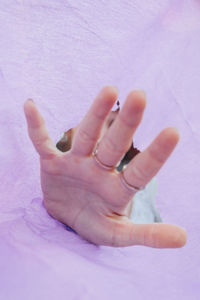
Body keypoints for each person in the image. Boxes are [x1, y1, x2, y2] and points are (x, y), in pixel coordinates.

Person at [23, 86, 187, 248]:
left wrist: (122, 211)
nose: (117, 135)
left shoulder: (138, 182)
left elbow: (150, 213)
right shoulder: (43, 166)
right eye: (111, 123)